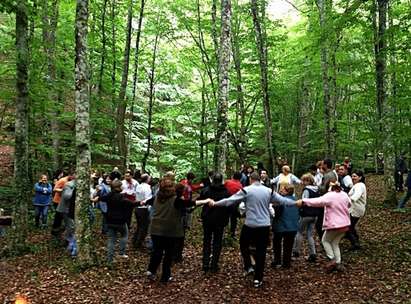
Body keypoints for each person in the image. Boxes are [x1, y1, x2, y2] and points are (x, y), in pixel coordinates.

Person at [208, 172, 297, 288]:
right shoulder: (268, 191)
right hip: (264, 225)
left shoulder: (246, 190)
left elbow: (230, 200)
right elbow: (283, 200)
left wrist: (215, 204)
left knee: (243, 245)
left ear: (250, 179)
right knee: (261, 251)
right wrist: (296, 203)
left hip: (250, 225)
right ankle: (258, 278)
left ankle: (249, 265)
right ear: (259, 180)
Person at [147, 179, 204, 282]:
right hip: (170, 231)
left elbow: (145, 202)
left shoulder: (156, 198)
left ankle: (151, 271)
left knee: (157, 251)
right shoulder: (176, 200)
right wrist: (206, 201)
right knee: (168, 254)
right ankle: (165, 276)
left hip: (155, 230)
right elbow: (191, 203)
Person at [297, 181, 351, 272]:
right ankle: (338, 263)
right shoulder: (344, 194)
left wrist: (304, 201)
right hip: (345, 224)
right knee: (334, 243)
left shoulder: (330, 195)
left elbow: (318, 201)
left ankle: (332, 259)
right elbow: (349, 204)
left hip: (334, 224)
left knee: (325, 240)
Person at [198, 173, 230, 273]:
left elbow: (199, 201)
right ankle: (214, 265)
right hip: (219, 221)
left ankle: (205, 264)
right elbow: (229, 206)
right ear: (221, 180)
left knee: (207, 241)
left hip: (208, 219)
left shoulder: (206, 190)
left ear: (212, 180)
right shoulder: (226, 192)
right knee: (217, 242)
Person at [101, 179, 137, 263]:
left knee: (111, 239)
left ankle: (109, 259)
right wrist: (140, 203)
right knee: (124, 235)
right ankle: (121, 252)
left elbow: (101, 198)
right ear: (118, 187)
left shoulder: (108, 196)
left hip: (110, 221)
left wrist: (96, 197)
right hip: (120, 222)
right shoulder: (121, 197)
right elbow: (131, 204)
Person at [292, 173, 320, 262]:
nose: (302, 182)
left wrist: (298, 208)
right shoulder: (317, 190)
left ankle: (296, 251)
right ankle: (313, 253)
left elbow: (304, 202)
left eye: (304, 180)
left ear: (308, 181)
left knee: (299, 232)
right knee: (310, 235)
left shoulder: (307, 190)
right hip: (315, 215)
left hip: (306, 214)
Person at [271, 184, 299, 269]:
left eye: (282, 189)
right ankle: (286, 263)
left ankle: (277, 261)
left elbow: (276, 214)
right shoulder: (296, 200)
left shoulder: (281, 201)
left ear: (287, 191)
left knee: (277, 244)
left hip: (280, 226)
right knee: (288, 245)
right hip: (293, 227)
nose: (280, 191)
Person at [316, 159, 337, 239]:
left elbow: (323, 189)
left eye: (322, 164)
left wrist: (317, 186)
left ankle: (324, 240)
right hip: (332, 200)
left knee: (319, 224)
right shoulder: (333, 174)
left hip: (326, 200)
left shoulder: (327, 175)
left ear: (325, 165)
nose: (321, 166)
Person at [346, 170, 367, 251]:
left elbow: (355, 196)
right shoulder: (357, 185)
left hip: (356, 210)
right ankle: (356, 241)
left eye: (355, 176)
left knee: (347, 227)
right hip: (354, 209)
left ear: (360, 177)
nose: (353, 178)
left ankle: (355, 243)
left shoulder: (360, 186)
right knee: (351, 226)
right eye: (352, 176)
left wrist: (347, 200)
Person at [133, 173, 153, 249]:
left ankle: (135, 241)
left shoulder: (138, 186)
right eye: (149, 178)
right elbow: (148, 198)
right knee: (143, 227)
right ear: (147, 179)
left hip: (137, 207)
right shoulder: (147, 188)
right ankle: (138, 243)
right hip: (143, 208)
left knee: (139, 226)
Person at [224, 171, 243, 239]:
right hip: (234, 205)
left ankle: (223, 233)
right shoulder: (240, 185)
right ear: (240, 178)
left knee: (224, 218)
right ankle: (232, 234)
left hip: (225, 203)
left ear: (233, 176)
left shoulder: (227, 182)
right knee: (233, 220)